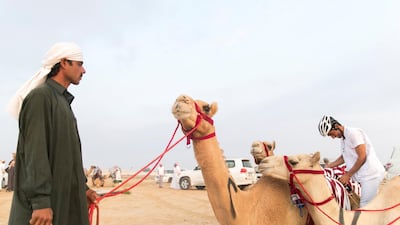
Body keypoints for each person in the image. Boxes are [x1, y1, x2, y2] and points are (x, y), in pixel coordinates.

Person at [6, 42, 98, 225]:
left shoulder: (62, 102)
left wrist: (83, 188)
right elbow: (35, 152)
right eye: (79, 64)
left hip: (65, 202)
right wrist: (40, 202)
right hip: (44, 209)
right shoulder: (40, 98)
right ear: (64, 63)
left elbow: (67, 157)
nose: (84, 70)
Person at [318, 115, 385, 207]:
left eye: (331, 134)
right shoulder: (343, 139)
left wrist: (347, 175)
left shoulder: (353, 133)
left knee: (365, 207)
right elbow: (344, 157)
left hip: (371, 175)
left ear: (336, 126)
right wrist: (328, 166)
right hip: (363, 176)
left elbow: (362, 157)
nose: (332, 137)